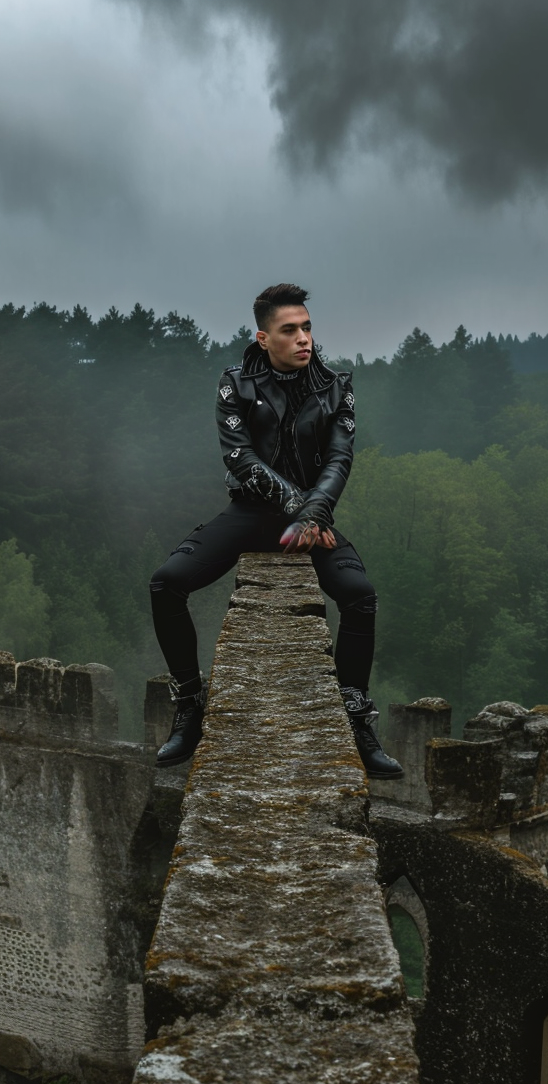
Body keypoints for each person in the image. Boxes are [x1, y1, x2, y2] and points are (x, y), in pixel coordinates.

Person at [149, 282, 402, 779]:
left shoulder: (337, 385)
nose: (304, 338)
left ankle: (356, 720)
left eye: (308, 327)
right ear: (264, 337)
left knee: (360, 595)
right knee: (165, 583)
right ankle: (189, 704)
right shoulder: (234, 384)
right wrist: (302, 510)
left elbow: (339, 458)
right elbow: (240, 458)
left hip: (313, 520)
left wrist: (314, 514)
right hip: (251, 515)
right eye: (291, 330)